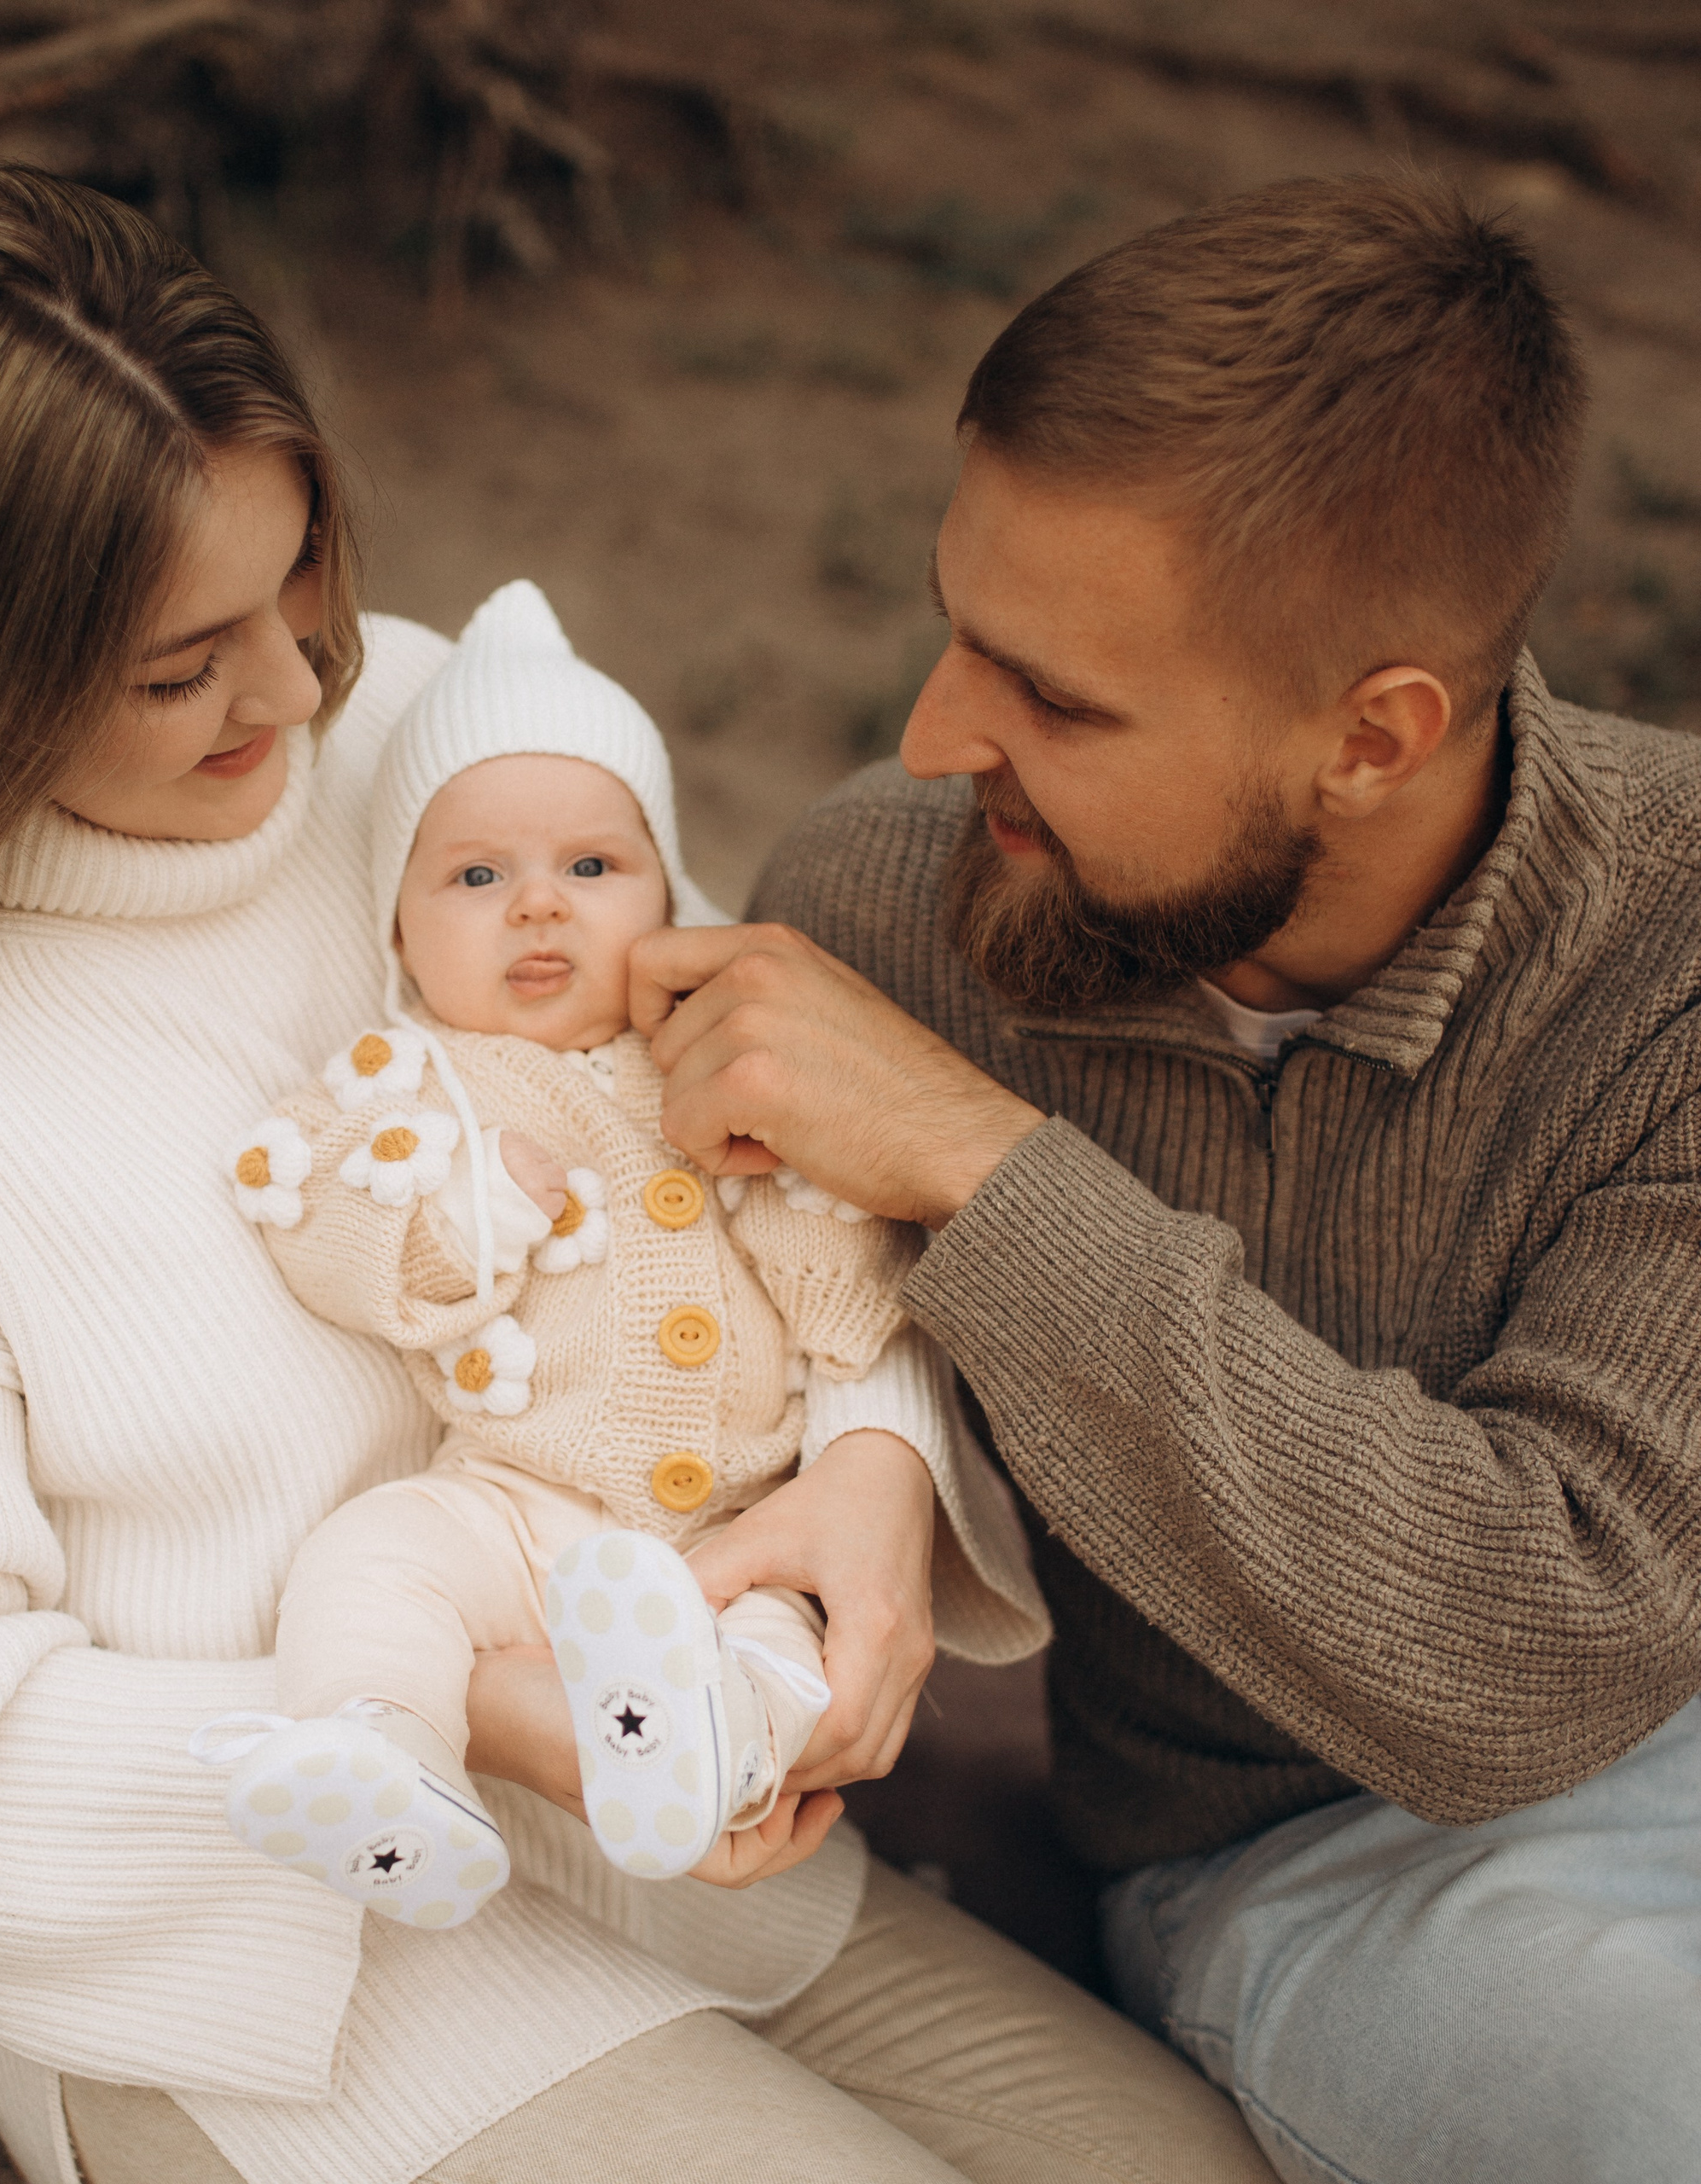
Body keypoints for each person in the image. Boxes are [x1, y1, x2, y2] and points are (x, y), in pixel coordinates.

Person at [0, 162, 1280, 2184]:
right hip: (262, 1963)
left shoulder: (420, 734)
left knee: (1174, 2159)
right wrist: (481, 1712)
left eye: (295, 588)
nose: (296, 693)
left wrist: (868, 1460)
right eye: (180, 666)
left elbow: (753, 1144)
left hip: (659, 1812)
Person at [630, 174, 1701, 2184]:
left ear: (1367, 737)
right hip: (1305, 1856)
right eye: (961, 627)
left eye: (1056, 695)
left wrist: (978, 1158)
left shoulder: (1675, 947)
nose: (935, 735)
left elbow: (1537, 1629)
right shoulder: (878, 903)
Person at [211, 578, 1046, 1922]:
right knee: (374, 1564)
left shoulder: (716, 1069)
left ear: (667, 888)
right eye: (479, 877)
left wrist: (836, 1319)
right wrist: (466, 1213)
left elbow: (838, 1241)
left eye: (591, 868)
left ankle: (709, 1743)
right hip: (513, 1499)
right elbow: (320, 1219)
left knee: (782, 1646)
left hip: (730, 1526)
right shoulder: (408, 1086)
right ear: (401, 932)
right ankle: (379, 1756)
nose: (539, 908)